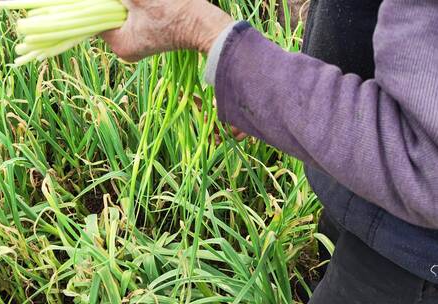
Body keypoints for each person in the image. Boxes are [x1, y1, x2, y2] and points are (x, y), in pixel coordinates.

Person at [101, 0, 438, 303]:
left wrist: (213, 38)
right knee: (329, 251)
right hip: (355, 183)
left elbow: (424, 162)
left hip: (411, 249)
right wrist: (271, 84)